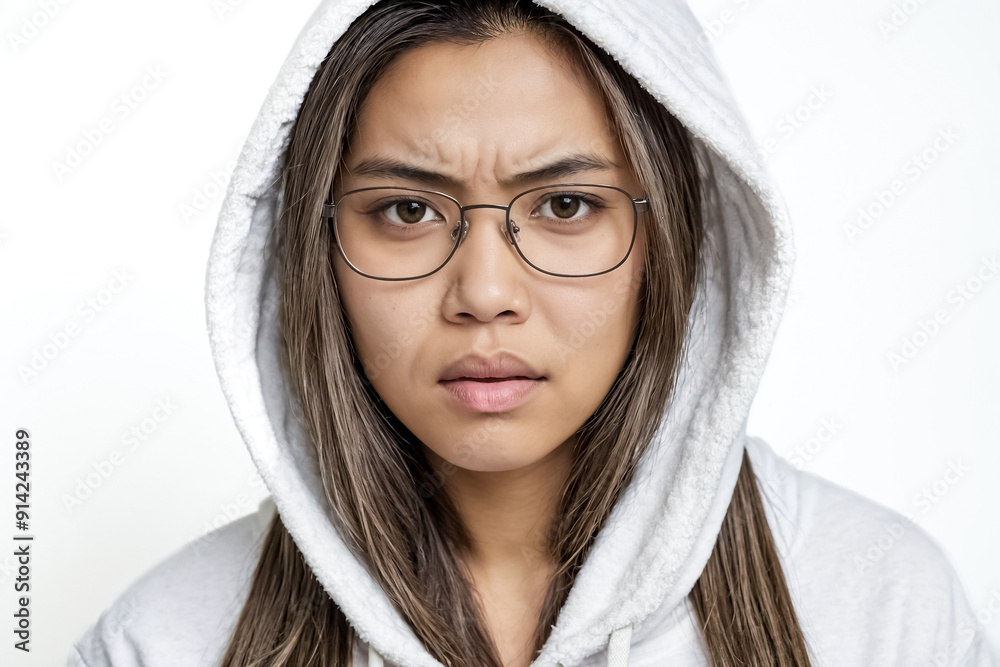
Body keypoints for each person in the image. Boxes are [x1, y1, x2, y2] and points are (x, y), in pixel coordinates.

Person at [65, 0, 993, 665]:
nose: (485, 292)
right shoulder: (166, 638)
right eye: (404, 210)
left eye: (564, 204)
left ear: (671, 244)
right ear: (318, 250)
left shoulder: (878, 603)